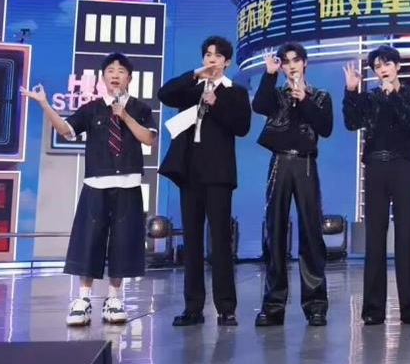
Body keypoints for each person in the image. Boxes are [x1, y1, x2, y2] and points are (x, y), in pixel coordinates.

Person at [22, 53, 156, 327]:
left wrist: (124, 116)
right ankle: (83, 299)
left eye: (121, 70)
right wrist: (45, 104)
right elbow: (65, 130)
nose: (115, 74)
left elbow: (148, 139)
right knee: (89, 241)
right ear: (103, 78)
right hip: (96, 185)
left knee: (123, 243)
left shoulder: (140, 108)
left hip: (128, 185)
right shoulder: (91, 109)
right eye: (110, 70)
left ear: (130, 78)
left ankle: (114, 298)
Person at [158, 36, 252, 327]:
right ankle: (193, 307)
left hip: (219, 175)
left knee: (220, 241)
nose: (212, 59)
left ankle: (226, 308)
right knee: (192, 241)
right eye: (208, 54)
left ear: (227, 61)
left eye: (218, 55)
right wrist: (196, 75)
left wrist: (216, 104)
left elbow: (242, 127)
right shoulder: (191, 88)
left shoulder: (235, 92)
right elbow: (165, 94)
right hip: (189, 172)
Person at [343, 45, 410, 326]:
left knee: (406, 236)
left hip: (404, 166)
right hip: (376, 167)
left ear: (397, 66)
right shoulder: (370, 98)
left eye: (387, 64)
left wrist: (394, 97)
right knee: (375, 237)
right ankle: (373, 309)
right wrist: (351, 92)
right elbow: (351, 123)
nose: (382, 70)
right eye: (377, 66)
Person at [252, 42, 334, 328]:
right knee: (274, 231)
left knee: (311, 232)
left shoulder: (320, 96)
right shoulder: (276, 94)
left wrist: (305, 100)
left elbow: (325, 128)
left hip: (305, 163)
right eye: (285, 62)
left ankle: (316, 306)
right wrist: (269, 74)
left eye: (295, 60)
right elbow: (259, 106)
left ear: (305, 63)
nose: (291, 66)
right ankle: (273, 306)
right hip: (279, 162)